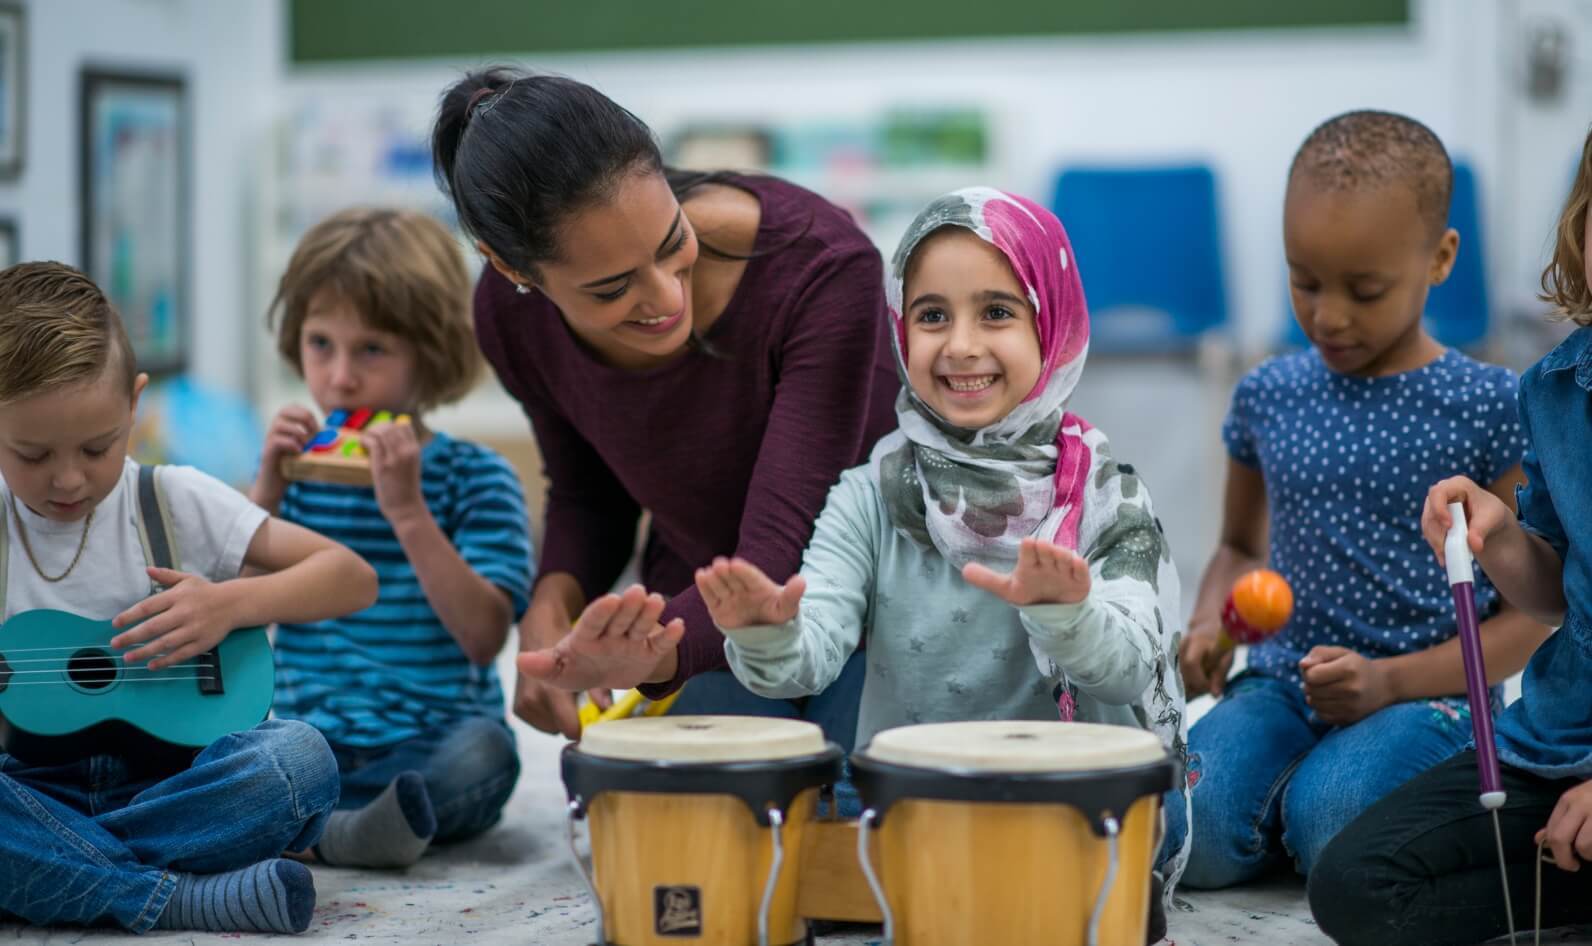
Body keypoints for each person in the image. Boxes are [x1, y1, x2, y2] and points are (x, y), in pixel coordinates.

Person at [688, 188, 1189, 937]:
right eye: (931, 316)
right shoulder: (870, 493)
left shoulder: (1104, 494)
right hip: (919, 805)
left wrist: (1066, 614)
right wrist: (766, 633)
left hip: (1082, 810)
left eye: (996, 312)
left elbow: (1125, 669)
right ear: (900, 329)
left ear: (1051, 323)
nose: (959, 345)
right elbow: (813, 655)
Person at [431, 68, 896, 748]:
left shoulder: (824, 269)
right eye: (612, 287)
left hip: (864, 610)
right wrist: (550, 604)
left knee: (849, 790)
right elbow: (589, 496)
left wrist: (650, 653)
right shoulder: (509, 315)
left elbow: (784, 549)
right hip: (698, 610)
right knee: (657, 794)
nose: (665, 297)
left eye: (672, 241)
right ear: (512, 269)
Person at [1177, 110, 1549, 889]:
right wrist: (1211, 622)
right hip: (1282, 681)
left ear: (1440, 259)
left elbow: (1529, 613)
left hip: (1429, 692)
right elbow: (1239, 547)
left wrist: (1384, 683)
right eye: (1304, 281)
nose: (1329, 315)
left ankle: (1309, 807)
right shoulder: (1266, 395)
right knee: (1190, 829)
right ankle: (1286, 804)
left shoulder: (1489, 404)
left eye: (1366, 289)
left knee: (1335, 818)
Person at [0, 262, 378, 933]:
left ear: (134, 404)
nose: (67, 478)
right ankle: (178, 895)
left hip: (177, 784)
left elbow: (350, 575)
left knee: (298, 760)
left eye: (97, 446)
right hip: (34, 789)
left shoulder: (171, 499)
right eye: (31, 454)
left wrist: (230, 605)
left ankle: (63, 871)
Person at [1309, 124, 1592, 946]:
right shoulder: (1554, 388)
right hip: (1553, 741)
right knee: (1354, 884)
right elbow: (1550, 597)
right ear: (1581, 226)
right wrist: (1500, 536)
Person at [251, 208, 536, 868]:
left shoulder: (476, 475)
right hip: (308, 740)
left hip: (430, 743)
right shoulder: (290, 476)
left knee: (486, 758)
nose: (340, 377)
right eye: (320, 344)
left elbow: (484, 636)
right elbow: (228, 607)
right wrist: (264, 493)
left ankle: (320, 830)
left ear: (429, 354)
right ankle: (347, 831)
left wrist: (408, 511)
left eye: (372, 350)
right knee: (215, 749)